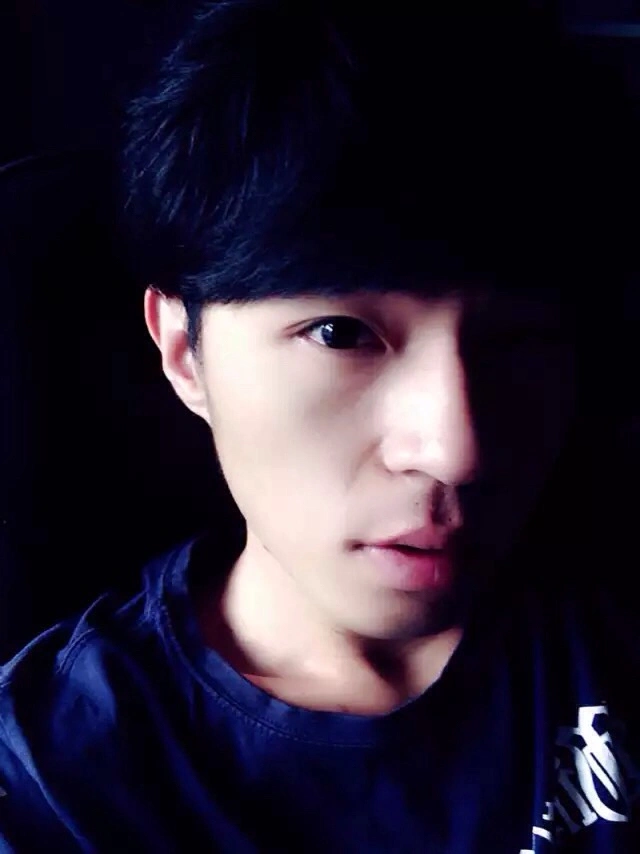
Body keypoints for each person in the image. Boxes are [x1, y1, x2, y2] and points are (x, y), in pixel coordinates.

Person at [0, 2, 638, 851]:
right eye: (341, 334)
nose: (458, 449)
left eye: (516, 342)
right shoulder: (54, 778)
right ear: (185, 352)